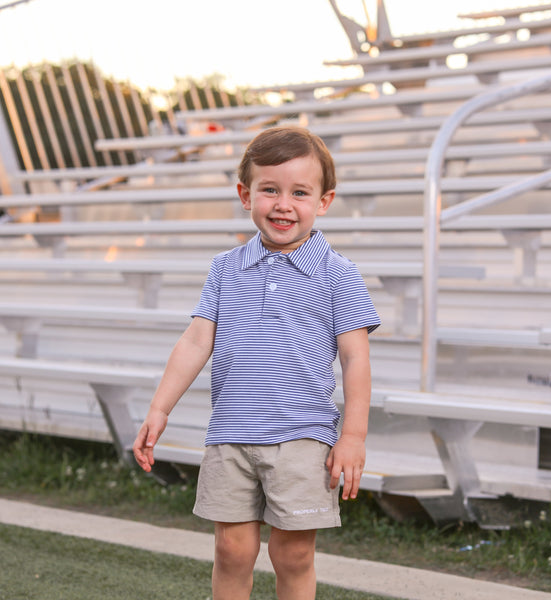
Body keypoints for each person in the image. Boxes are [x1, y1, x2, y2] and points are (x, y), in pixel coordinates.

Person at [132, 126, 380, 600]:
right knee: (232, 550)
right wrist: (160, 408)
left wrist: (353, 436)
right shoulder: (226, 268)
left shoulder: (339, 274)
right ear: (246, 195)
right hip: (231, 433)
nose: (283, 204)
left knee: (292, 554)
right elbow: (195, 340)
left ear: (323, 201)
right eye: (270, 190)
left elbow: (355, 358)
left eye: (299, 193)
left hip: (303, 436)